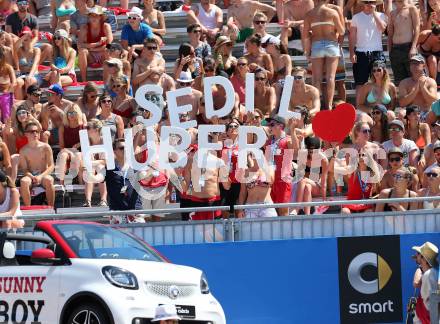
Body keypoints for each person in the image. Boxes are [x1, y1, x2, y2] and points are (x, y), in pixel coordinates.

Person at [303, 0, 344, 110]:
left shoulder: (309, 14)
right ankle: (329, 106)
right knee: (331, 77)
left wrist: (307, 52)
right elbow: (342, 30)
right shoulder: (332, 12)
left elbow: (305, 36)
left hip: (316, 45)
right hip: (332, 45)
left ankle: (317, 107)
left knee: (317, 79)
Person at [349, 0, 388, 90]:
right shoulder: (356, 17)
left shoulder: (381, 16)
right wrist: (352, 53)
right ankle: (359, 104)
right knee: (360, 83)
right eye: (367, 2)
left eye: (372, 2)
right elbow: (352, 36)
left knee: (380, 82)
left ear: (375, 4)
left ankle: (380, 103)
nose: (369, 4)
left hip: (377, 52)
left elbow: (383, 29)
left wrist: (373, 13)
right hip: (361, 52)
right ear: (363, 3)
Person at [19, 122, 55, 206]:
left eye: (37, 131)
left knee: (49, 180)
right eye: (32, 131)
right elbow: (25, 169)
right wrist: (32, 177)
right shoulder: (23, 150)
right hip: (31, 177)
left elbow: (51, 166)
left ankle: (51, 209)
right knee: (23, 181)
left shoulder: (46, 147)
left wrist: (40, 176)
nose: (35, 133)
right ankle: (28, 210)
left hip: (43, 175)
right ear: (26, 134)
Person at [264, 115, 294, 216]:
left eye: (272, 124)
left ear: (281, 126)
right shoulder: (268, 141)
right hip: (271, 180)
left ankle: (285, 231)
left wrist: (292, 130)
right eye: (269, 125)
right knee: (273, 211)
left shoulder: (288, 140)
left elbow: (296, 150)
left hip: (283, 180)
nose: (269, 127)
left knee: (283, 210)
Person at [293, 136, 329, 215]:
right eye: (310, 151)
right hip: (304, 186)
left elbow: (323, 181)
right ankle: (307, 215)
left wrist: (324, 199)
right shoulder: (303, 156)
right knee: (307, 187)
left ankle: (297, 208)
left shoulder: (323, 160)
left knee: (303, 180)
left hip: (318, 187)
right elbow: (299, 174)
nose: (312, 153)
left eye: (314, 151)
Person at [105, 138, 141, 215]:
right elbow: (99, 177)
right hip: (116, 211)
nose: (125, 150)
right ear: (114, 151)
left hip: (136, 210)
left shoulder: (136, 167)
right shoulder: (109, 169)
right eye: (121, 148)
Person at [387, 0, 419, 85]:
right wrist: (390, 51)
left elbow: (417, 28)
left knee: (413, 79)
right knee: (399, 81)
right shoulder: (392, 13)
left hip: (408, 48)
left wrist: (413, 47)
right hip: (395, 49)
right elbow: (390, 33)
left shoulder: (412, 9)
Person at [236, 152, 277, 218]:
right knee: (249, 228)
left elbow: (271, 181)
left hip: (266, 205)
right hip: (250, 207)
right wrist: (240, 210)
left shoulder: (269, 168)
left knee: (272, 226)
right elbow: (242, 193)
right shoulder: (245, 172)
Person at [78, 6, 113, 82]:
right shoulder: (84, 27)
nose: (94, 18)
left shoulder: (106, 26)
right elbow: (79, 45)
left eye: (96, 15)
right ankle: (84, 81)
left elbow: (109, 45)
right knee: (82, 51)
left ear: (100, 17)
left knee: (108, 51)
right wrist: (97, 44)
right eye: (91, 15)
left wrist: (93, 48)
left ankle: (107, 81)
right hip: (90, 56)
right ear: (89, 17)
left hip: (102, 54)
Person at [398, 55, 438, 122]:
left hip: (427, 113)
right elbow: (402, 103)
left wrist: (423, 87)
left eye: (416, 63)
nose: (413, 66)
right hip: (411, 113)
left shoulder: (431, 81)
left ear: (424, 66)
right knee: (401, 113)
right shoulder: (404, 82)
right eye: (412, 64)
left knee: (434, 113)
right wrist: (415, 90)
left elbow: (433, 101)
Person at [79, 119, 107, 207]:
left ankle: (103, 200)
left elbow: (106, 161)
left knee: (100, 168)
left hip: (106, 168)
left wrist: (92, 163)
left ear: (96, 130)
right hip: (92, 167)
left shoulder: (105, 140)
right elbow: (85, 160)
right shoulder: (86, 142)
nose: (86, 130)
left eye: (88, 128)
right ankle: (88, 201)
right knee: (89, 170)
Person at [57, 104, 84, 186]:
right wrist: (69, 151)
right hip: (67, 151)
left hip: (80, 152)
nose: (72, 115)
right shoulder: (62, 127)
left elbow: (87, 143)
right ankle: (62, 183)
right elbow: (61, 146)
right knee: (63, 155)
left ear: (78, 114)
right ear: (66, 115)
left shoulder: (83, 127)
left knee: (78, 155)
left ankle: (81, 183)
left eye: (74, 113)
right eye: (69, 113)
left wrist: (79, 144)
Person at [411, 242, 439, 324]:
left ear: (423, 258)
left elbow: (428, 304)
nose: (416, 255)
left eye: (418, 254)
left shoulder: (428, 275)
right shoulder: (433, 273)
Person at [13, 27, 41, 100]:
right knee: (18, 82)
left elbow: (35, 64)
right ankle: (20, 104)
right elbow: (14, 47)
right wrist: (24, 36)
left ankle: (29, 103)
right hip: (22, 75)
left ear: (31, 37)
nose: (25, 36)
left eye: (27, 35)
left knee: (30, 80)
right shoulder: (19, 50)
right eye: (23, 35)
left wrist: (30, 76)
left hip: (34, 74)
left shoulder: (36, 50)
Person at [0, 46, 15, 123]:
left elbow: (14, 83)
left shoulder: (8, 67)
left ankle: (6, 123)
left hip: (7, 95)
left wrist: (7, 91)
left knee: (4, 99)